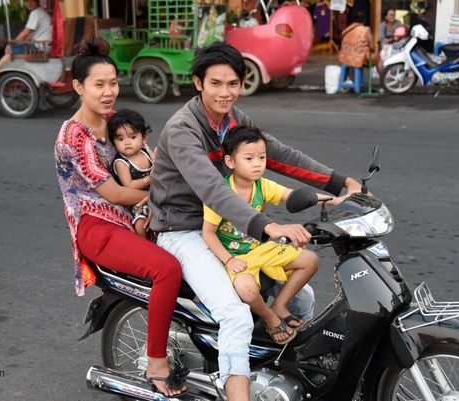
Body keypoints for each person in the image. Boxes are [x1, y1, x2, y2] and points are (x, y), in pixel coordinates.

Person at [149, 42, 361, 401]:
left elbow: (277, 154)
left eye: (233, 83)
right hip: (184, 230)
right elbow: (213, 189)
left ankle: (275, 371)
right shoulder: (183, 129)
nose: (225, 92)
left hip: (230, 227)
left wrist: (340, 183)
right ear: (198, 83)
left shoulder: (233, 121)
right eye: (215, 83)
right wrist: (267, 226)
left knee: (300, 297)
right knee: (235, 314)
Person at [54, 37, 186, 397]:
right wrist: (168, 192)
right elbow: (114, 194)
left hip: (130, 216)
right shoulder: (74, 137)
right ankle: (157, 360)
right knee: (167, 269)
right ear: (78, 86)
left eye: (113, 82)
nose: (109, 91)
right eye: (99, 84)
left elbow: (145, 156)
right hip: (98, 227)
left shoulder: (114, 122)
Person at [202, 126, 347, 345]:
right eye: (249, 158)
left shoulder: (261, 185)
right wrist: (229, 260)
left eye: (262, 157)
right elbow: (208, 233)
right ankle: (270, 318)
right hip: (236, 258)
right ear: (230, 162)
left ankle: (279, 305)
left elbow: (292, 196)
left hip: (260, 250)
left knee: (310, 259)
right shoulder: (221, 193)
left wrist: (336, 200)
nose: (258, 163)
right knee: (247, 290)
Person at [107, 108, 154, 238]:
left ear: (144, 137)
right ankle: (145, 243)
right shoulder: (121, 163)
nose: (127, 142)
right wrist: (149, 178)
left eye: (133, 137)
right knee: (140, 220)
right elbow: (129, 185)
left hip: (153, 194)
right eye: (120, 139)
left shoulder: (146, 152)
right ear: (114, 142)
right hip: (135, 201)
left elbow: (159, 166)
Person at [0, 0, 51, 77]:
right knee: (14, 48)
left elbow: (26, 31)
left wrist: (12, 43)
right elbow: (29, 36)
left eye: (31, 1)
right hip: (42, 46)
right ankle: (2, 72)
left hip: (39, 48)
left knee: (10, 51)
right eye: (27, 1)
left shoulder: (36, 13)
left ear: (37, 2)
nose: (29, 4)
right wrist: (19, 43)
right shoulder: (41, 12)